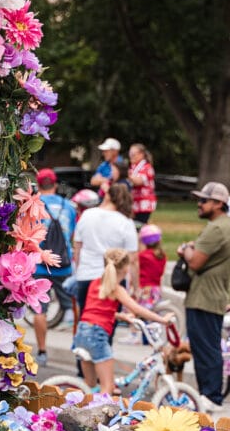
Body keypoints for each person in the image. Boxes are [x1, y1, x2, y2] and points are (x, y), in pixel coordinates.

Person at [72, 248, 174, 396]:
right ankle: (98, 417)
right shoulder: (116, 289)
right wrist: (162, 320)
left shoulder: (95, 283)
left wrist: (122, 316)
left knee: (90, 386)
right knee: (108, 388)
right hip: (97, 334)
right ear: (126, 268)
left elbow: (97, 310)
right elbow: (137, 309)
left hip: (82, 332)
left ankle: (78, 411)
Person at [178, 181, 230, 410]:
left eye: (204, 200)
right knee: (207, 347)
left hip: (204, 298)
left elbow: (197, 262)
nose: (199, 204)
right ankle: (209, 394)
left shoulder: (216, 228)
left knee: (206, 348)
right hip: (213, 295)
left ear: (219, 203)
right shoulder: (224, 226)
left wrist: (185, 250)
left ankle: (210, 396)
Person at [31, 168, 77, 366]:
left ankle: (42, 351)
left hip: (40, 264)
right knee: (75, 308)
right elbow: (72, 235)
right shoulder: (69, 207)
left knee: (40, 310)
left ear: (38, 185)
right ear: (56, 185)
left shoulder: (34, 205)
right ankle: (77, 351)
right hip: (64, 264)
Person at [73, 182, 139, 312]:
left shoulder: (87, 215)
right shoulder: (126, 223)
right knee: (109, 321)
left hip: (86, 275)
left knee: (86, 318)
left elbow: (77, 249)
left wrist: (78, 270)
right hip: (113, 278)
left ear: (107, 196)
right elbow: (133, 260)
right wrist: (135, 287)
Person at [137, 224, 166, 310]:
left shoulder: (142, 256)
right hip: (156, 290)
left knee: (142, 313)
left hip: (145, 290)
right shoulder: (162, 256)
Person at [127, 143, 157, 223]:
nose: (130, 156)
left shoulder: (147, 167)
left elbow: (138, 181)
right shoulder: (133, 167)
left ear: (141, 154)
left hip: (143, 204)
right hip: (134, 203)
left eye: (133, 154)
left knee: (140, 226)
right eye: (130, 153)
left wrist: (124, 174)